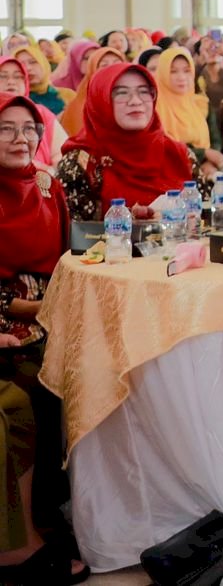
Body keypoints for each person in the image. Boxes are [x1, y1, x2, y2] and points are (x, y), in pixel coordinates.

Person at [0, 97, 86, 585]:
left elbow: (65, 256)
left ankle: (65, 511)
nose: (20, 139)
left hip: (51, 307)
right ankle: (23, 534)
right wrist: (41, 312)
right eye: (6, 129)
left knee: (92, 367)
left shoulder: (48, 185)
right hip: (12, 319)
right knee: (33, 385)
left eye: (29, 128)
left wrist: (63, 305)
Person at [56, 64, 206, 220]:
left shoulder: (179, 154)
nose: (135, 101)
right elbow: (72, 229)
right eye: (121, 93)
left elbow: (208, 221)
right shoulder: (81, 164)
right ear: (101, 99)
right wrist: (135, 223)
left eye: (144, 92)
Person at [153, 48, 223, 180]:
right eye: (173, 71)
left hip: (207, 172)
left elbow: (215, 139)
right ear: (162, 73)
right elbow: (163, 147)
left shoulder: (200, 104)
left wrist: (210, 161)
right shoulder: (154, 108)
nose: (181, 77)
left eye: (187, 71)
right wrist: (203, 155)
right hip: (170, 177)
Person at [0, 58, 63, 168]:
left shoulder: (41, 113)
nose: (11, 82)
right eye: (2, 76)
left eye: (18, 76)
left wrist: (45, 173)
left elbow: (61, 155)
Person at [11, 44, 65, 117]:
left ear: (44, 64)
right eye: (21, 64)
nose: (28, 68)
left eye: (33, 62)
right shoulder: (13, 102)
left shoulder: (67, 95)